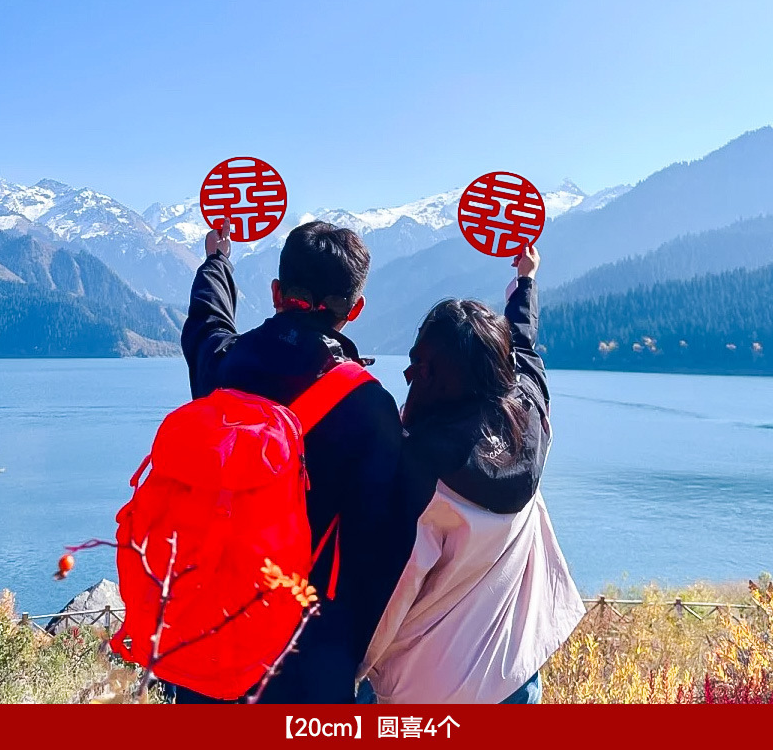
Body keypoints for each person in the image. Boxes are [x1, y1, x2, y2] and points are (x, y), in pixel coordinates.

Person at [178, 218, 407, 704]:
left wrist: (218, 262)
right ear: (356, 309)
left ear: (276, 292)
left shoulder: (226, 366)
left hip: (211, 639)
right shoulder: (370, 407)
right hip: (308, 657)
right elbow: (380, 544)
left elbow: (205, 325)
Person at [358, 245, 585, 704]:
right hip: (515, 673)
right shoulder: (529, 419)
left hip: (426, 685)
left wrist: (354, 666)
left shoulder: (420, 470)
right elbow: (523, 348)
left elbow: (394, 590)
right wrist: (525, 282)